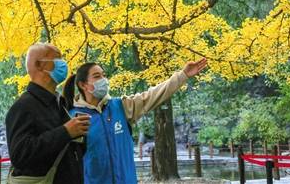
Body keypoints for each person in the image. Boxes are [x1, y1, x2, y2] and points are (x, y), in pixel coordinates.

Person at [63, 58, 207, 184]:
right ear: (83, 85)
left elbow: (152, 95)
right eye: (97, 76)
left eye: (104, 75)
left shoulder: (121, 107)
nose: (103, 80)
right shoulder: (73, 117)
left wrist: (183, 75)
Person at [5, 43, 89, 184]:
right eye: (57, 59)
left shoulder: (59, 103)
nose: (63, 64)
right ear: (39, 65)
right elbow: (19, 155)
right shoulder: (23, 106)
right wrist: (66, 132)